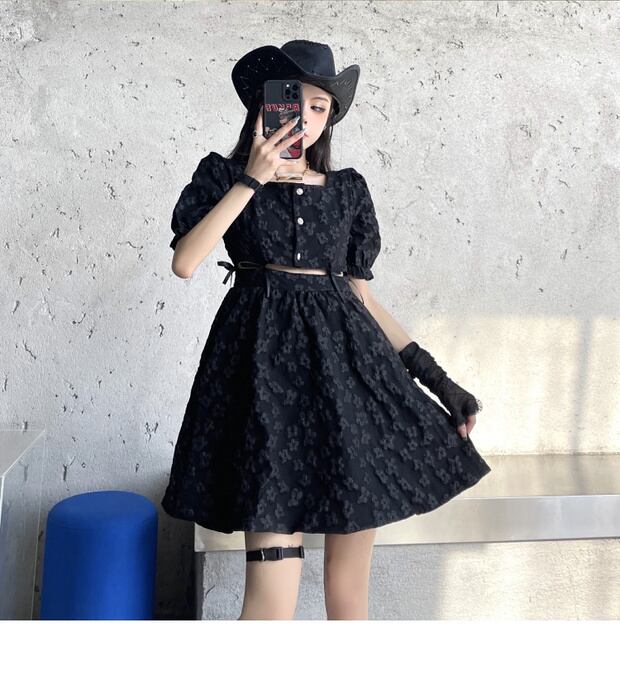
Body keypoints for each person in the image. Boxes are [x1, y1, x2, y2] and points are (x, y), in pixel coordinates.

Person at [160, 40, 491, 620]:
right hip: (264, 393)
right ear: (265, 105)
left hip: (350, 392)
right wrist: (253, 178)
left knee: (348, 596)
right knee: (269, 605)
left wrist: (441, 382)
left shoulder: (349, 190)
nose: (307, 118)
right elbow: (186, 262)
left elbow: (362, 297)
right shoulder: (223, 176)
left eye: (320, 107)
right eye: (295, 102)